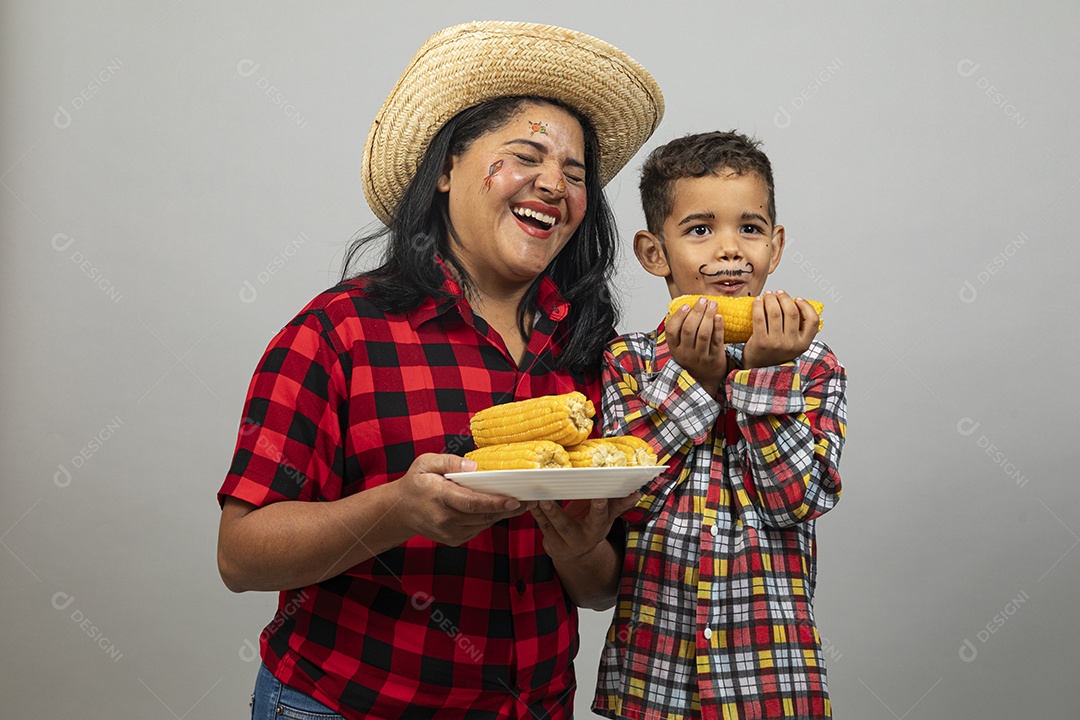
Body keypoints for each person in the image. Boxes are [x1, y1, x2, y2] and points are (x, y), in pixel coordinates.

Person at [215, 21, 663, 720]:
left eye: (576, 175)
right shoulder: (338, 332)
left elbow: (602, 587)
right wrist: (397, 510)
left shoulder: (595, 352)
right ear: (448, 167)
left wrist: (578, 551)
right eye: (527, 156)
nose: (554, 183)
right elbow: (242, 555)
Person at [593, 131, 847, 720]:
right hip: (651, 679)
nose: (730, 250)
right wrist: (698, 383)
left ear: (776, 246)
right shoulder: (625, 362)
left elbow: (797, 502)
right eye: (700, 229)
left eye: (750, 228)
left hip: (772, 679)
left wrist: (762, 376)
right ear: (654, 253)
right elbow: (626, 499)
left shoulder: (813, 365)